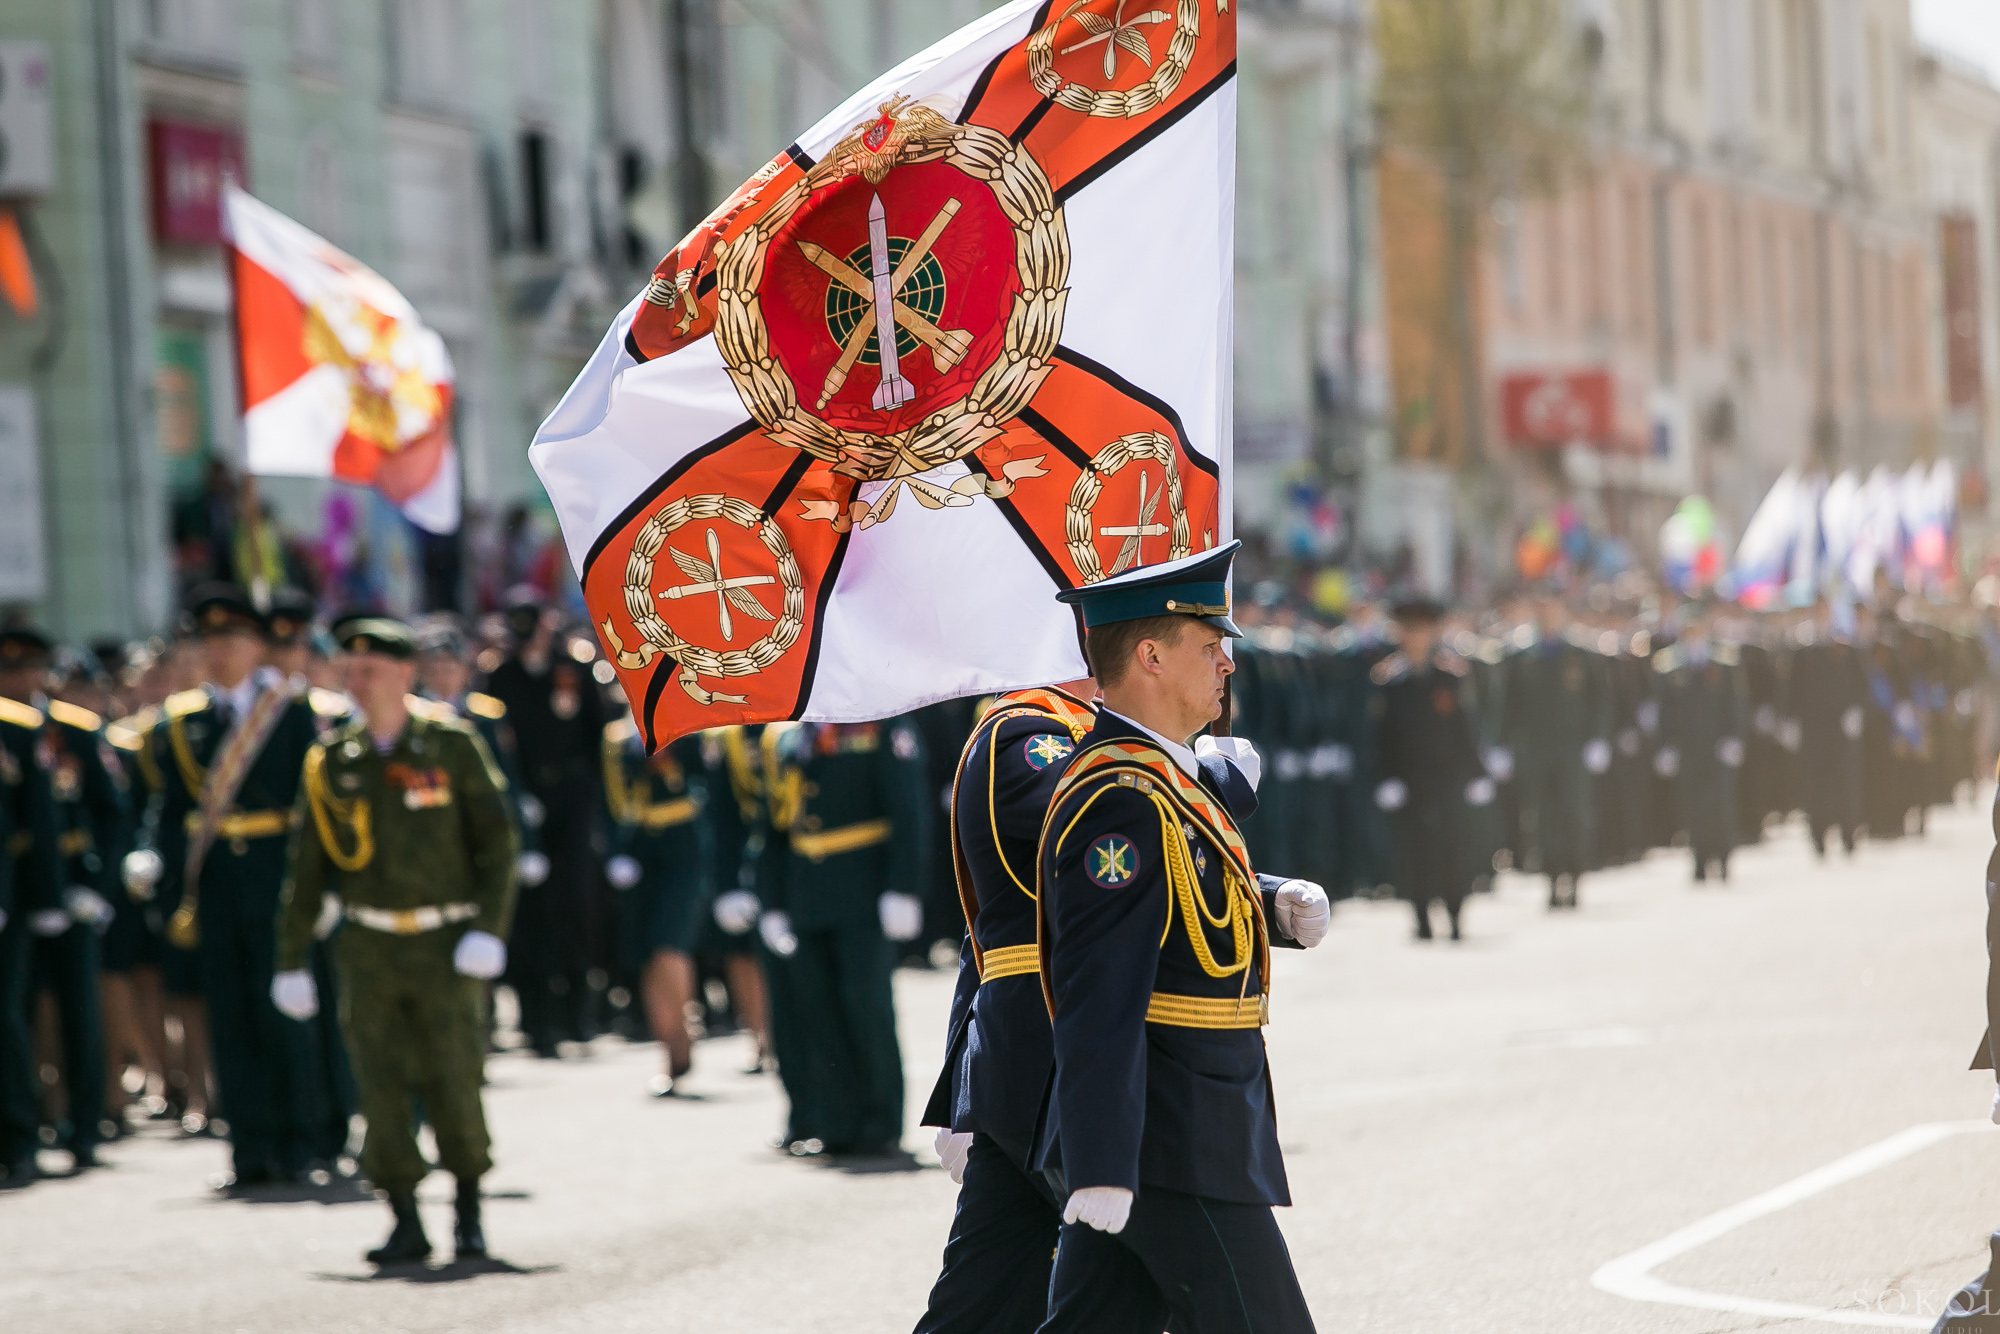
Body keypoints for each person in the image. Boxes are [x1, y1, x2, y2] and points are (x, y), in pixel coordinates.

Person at [1034, 542, 1329, 1333]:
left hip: (1187, 1126)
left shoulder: (1161, 775)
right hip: (1170, 1138)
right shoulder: (1119, 794)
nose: (1227, 665)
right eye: (1209, 646)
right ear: (1152, 656)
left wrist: (1271, 906)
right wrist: (1099, 1159)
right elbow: (1100, 984)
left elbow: (1179, 902)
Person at [270, 618, 519, 1266]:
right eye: (349, 671)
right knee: (378, 1086)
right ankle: (403, 1215)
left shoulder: (451, 745)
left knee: (453, 1078)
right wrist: (290, 957)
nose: (357, 682)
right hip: (370, 948)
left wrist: (489, 929)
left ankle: (467, 1206)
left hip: (445, 942)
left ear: (405, 673)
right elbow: (309, 865)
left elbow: (497, 841)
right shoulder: (333, 758)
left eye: (370, 670)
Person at [134, 584, 326, 1188]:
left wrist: (323, 892)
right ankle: (250, 1149)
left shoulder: (291, 712)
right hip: (215, 887)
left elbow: (312, 807)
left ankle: (301, 1140)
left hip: (277, 880)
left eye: (233, 638)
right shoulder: (183, 721)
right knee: (230, 1019)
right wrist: (162, 877)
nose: (220, 650)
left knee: (282, 1015)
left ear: (258, 646)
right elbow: (170, 812)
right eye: (210, 639)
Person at [757, 713, 930, 1159]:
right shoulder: (786, 736)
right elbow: (774, 826)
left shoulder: (880, 723)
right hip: (806, 891)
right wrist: (772, 900)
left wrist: (904, 886)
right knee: (817, 1008)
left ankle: (880, 1121)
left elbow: (908, 806)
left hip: (864, 887)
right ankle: (835, 1121)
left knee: (865, 1005)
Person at [0, 628, 125, 1167]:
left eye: (29, 669)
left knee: (80, 1013)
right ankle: (23, 1129)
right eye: (9, 671)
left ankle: (86, 1127)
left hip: (72, 884)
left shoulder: (73, 730)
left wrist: (95, 889)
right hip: (16, 888)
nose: (20, 680)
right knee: (13, 1013)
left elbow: (110, 813)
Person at [479, 589, 603, 1056]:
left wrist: (588, 801)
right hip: (525, 797)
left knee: (576, 904)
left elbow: (594, 733)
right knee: (531, 913)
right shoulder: (500, 676)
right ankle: (538, 1021)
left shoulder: (571, 668)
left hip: (571, 798)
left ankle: (578, 1015)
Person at [1370, 598, 1494, 941]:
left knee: (1452, 846)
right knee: (1414, 850)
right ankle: (1421, 915)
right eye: (1409, 630)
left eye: (1422, 630)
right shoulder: (1388, 681)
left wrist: (1477, 773)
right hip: (1409, 780)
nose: (1416, 637)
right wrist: (1384, 778)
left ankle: (1455, 913)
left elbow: (1466, 729)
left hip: (1448, 778)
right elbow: (1379, 736)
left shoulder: (1449, 677)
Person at [602, 710, 712, 1095]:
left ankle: (684, 1032)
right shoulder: (616, 736)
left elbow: (707, 786)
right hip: (640, 850)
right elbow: (612, 798)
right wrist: (616, 850)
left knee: (670, 944)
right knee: (646, 953)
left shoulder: (688, 725)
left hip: (684, 847)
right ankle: (669, 1050)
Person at [0, 629, 64, 1187]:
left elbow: (38, 823)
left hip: (6, 899)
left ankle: (19, 1138)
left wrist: (46, 897)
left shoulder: (17, 729)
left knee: (7, 1021)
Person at [1504, 596, 1612, 909]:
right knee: (1541, 817)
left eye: (1554, 610)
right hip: (1536, 749)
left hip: (1573, 748)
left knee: (1574, 814)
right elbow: (1509, 705)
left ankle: (1575, 877)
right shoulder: (1521, 656)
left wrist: (1598, 739)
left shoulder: (1580, 654)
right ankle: (1551, 879)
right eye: (1542, 611)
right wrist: (1504, 744)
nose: (1548, 617)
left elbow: (1600, 700)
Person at [1652, 610, 1747, 883]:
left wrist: (1735, 737)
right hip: (1687, 746)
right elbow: (1663, 711)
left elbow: (1736, 704)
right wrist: (1664, 745)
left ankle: (1723, 855)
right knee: (1692, 805)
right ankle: (1699, 858)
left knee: (1720, 804)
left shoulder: (1724, 661)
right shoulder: (1668, 665)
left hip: (1718, 745)